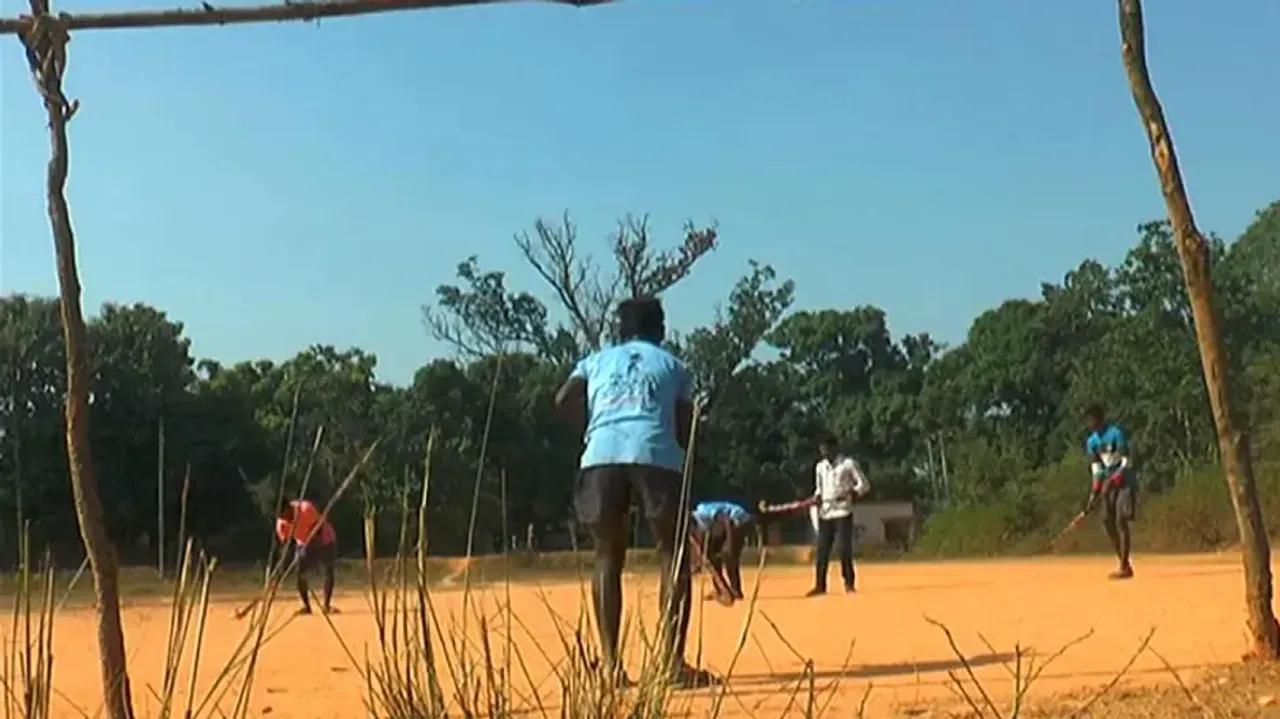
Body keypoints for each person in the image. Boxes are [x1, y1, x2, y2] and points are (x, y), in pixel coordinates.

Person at [553, 296, 713, 689]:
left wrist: (592, 429)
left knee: (607, 555)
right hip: (655, 452)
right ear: (660, 329)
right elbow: (685, 418)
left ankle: (610, 668)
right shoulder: (674, 365)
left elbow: (563, 399)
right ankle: (671, 665)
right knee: (672, 554)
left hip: (601, 455)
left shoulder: (595, 362)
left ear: (620, 331)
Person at [806, 434, 870, 597]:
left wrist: (852, 493)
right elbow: (819, 488)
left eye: (826, 449)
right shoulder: (820, 467)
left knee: (843, 549)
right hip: (826, 512)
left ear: (834, 448)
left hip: (843, 511)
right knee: (822, 551)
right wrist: (817, 497)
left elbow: (864, 485)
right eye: (821, 450)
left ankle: (849, 583)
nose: (824, 453)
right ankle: (820, 585)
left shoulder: (848, 464)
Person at [1083, 404, 1136, 580]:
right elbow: (1096, 468)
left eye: (1092, 420)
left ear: (1100, 419)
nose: (1090, 424)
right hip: (1107, 482)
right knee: (1107, 521)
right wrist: (1095, 491)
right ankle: (1124, 562)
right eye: (1087, 421)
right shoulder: (1091, 442)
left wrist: (1113, 480)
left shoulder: (1116, 434)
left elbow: (1126, 461)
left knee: (1121, 520)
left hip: (1124, 481)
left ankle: (1123, 565)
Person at [275, 498, 339, 615]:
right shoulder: (281, 525)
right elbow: (287, 546)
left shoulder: (305, 509)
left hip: (325, 539)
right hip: (303, 543)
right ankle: (306, 606)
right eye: (281, 517)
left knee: (328, 570)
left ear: (289, 508)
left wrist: (309, 548)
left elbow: (318, 530)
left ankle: (326, 605)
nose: (285, 519)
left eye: (285, 514)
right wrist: (282, 567)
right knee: (299, 573)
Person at [690, 500, 754, 600]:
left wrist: (729, 542)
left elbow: (725, 518)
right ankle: (721, 589)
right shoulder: (698, 526)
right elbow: (702, 546)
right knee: (712, 556)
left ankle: (735, 590)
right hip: (727, 525)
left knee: (728, 554)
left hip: (739, 520)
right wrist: (699, 562)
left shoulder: (702, 511)